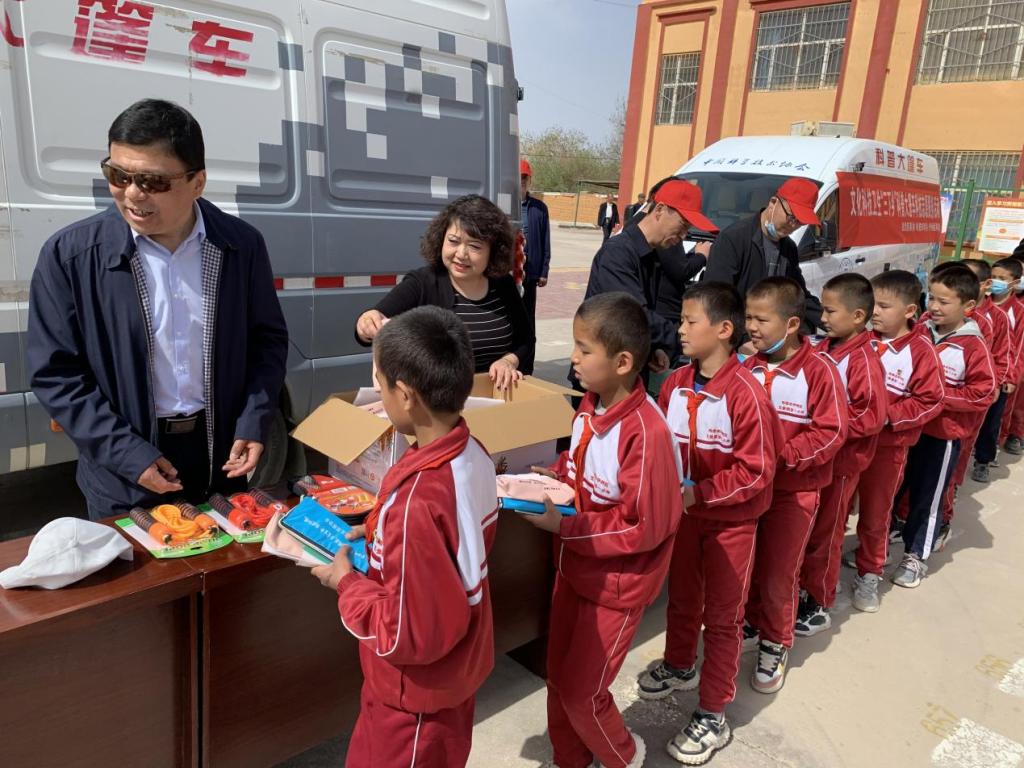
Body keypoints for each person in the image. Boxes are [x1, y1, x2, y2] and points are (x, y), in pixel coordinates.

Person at [27, 99, 288, 520]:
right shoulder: (70, 256)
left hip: (218, 459)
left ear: (198, 182)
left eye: (152, 181)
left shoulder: (240, 246)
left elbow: (267, 342)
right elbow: (56, 374)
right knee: (137, 565)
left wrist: (253, 421)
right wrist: (127, 454)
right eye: (118, 175)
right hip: (123, 471)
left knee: (225, 563)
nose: (132, 193)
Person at [311, 305, 499, 768]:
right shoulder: (472, 451)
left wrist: (346, 584)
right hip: (451, 678)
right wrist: (380, 528)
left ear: (407, 395)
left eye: (379, 382)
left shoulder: (418, 503)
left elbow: (406, 635)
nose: (377, 391)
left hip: (413, 699)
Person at [521, 292, 683, 768]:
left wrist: (565, 526)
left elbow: (643, 526)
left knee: (584, 693)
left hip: (616, 586)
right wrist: (555, 475)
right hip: (574, 571)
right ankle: (569, 759)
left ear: (623, 362)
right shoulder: (589, 407)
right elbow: (581, 467)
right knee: (558, 678)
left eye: (583, 348)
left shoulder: (647, 433)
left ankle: (623, 756)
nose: (572, 357)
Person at [638, 282, 781, 766]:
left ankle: (714, 712)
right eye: (680, 320)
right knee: (681, 598)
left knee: (722, 619)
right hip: (686, 519)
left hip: (730, 525)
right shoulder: (676, 383)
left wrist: (700, 493)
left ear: (723, 330)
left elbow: (757, 470)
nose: (679, 329)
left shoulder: (746, 394)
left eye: (689, 321)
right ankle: (680, 664)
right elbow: (660, 444)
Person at [742, 277, 847, 694]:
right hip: (750, 491)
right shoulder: (745, 368)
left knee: (780, 573)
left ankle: (776, 641)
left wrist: (781, 457)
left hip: (794, 492)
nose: (751, 327)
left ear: (790, 324)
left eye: (761, 319)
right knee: (747, 566)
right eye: (748, 317)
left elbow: (831, 431)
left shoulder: (819, 370)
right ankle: (752, 623)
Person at [355, 194, 535, 388]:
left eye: (474, 246)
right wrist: (367, 322)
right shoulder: (423, 282)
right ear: (441, 239)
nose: (461, 254)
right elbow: (374, 319)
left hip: (493, 394)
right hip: (436, 401)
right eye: (454, 241)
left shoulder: (503, 285)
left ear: (493, 251)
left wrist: (508, 361)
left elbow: (525, 339)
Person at [843, 270, 943, 612]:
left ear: (910, 310)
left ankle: (870, 573)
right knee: (837, 511)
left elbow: (930, 400)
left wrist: (887, 416)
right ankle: (821, 580)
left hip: (888, 449)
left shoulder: (920, 350)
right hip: (850, 445)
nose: (875, 312)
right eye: (873, 304)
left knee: (876, 514)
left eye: (884, 306)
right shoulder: (859, 339)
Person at [893, 266, 995, 588]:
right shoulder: (919, 331)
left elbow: (983, 393)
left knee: (929, 497)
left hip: (942, 436)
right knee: (895, 489)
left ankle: (916, 555)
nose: (934, 307)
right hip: (908, 430)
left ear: (968, 306)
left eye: (944, 302)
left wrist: (938, 397)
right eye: (932, 298)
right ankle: (889, 535)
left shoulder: (973, 346)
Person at [795, 274, 886, 635]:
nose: (823, 317)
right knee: (809, 530)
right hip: (820, 459)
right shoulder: (822, 348)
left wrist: (830, 422)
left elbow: (872, 416)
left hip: (843, 464)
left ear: (859, 316)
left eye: (831, 311)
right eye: (823, 309)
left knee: (827, 533)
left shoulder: (863, 360)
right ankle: (802, 587)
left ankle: (819, 601)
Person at [582, 179, 718, 380]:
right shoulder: (618, 253)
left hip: (626, 368)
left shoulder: (650, 254)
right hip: (601, 375)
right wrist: (686, 336)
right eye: (682, 225)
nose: (683, 235)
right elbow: (633, 315)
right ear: (660, 210)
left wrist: (652, 348)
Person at [703, 177, 823, 333]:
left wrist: (830, 320)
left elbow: (798, 296)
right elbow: (717, 298)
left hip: (772, 333)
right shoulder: (733, 239)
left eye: (800, 222)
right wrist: (740, 337)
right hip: (740, 332)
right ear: (773, 203)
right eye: (791, 217)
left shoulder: (788, 247)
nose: (793, 226)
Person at [966, 257, 1015, 483]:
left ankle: (983, 460)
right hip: (959, 385)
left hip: (988, 384)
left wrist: (1003, 379)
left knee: (988, 425)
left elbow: (1004, 352)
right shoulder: (949, 312)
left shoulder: (997, 317)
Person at [993, 257, 1024, 455]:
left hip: (1007, 370)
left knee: (1002, 410)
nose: (996, 281)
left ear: (1014, 282)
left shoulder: (1019, 311)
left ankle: (1001, 440)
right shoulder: (982, 304)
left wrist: (1012, 376)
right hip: (985, 369)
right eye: (993, 277)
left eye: (1001, 279)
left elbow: (1019, 347)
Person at [519, 158, 551, 329]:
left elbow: (546, 240)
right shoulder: (504, 204)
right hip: (509, 272)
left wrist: (544, 271)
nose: (522, 181)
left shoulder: (540, 208)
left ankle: (528, 345)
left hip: (531, 272)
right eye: (519, 177)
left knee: (528, 315)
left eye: (525, 177)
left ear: (529, 180)